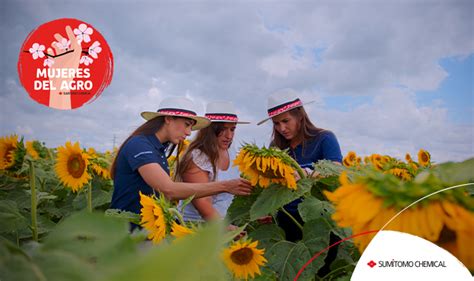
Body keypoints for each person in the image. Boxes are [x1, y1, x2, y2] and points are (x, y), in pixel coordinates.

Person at [110, 97, 252, 217]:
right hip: (127, 231)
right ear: (168, 119)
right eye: (186, 125)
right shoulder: (139, 145)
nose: (189, 132)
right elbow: (169, 190)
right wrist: (225, 186)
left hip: (146, 229)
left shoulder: (157, 149)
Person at [258, 88, 342, 275]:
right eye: (276, 124)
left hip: (320, 220)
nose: (282, 128)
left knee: (321, 271)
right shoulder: (277, 147)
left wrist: (307, 174)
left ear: (300, 116)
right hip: (287, 217)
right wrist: (267, 210)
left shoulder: (324, 138)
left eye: (286, 121)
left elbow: (337, 169)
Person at [176, 101, 250, 222]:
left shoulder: (231, 152)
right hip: (195, 226)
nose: (229, 136)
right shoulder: (197, 157)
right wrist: (223, 228)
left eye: (232, 129)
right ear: (209, 130)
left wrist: (254, 214)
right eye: (223, 129)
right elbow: (202, 203)